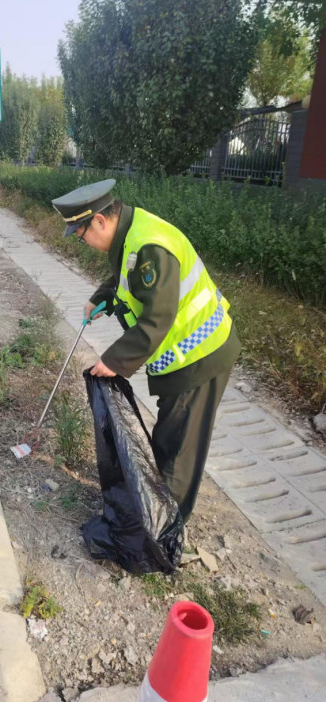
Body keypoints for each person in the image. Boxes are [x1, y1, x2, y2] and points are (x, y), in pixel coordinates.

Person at [52, 179, 240, 522]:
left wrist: (115, 360)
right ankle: (154, 516)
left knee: (177, 452)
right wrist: (102, 297)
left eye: (81, 235)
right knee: (169, 440)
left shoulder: (149, 246)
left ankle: (163, 532)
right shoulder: (130, 232)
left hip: (201, 355)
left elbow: (158, 318)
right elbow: (128, 277)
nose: (84, 242)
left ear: (99, 221)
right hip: (182, 357)